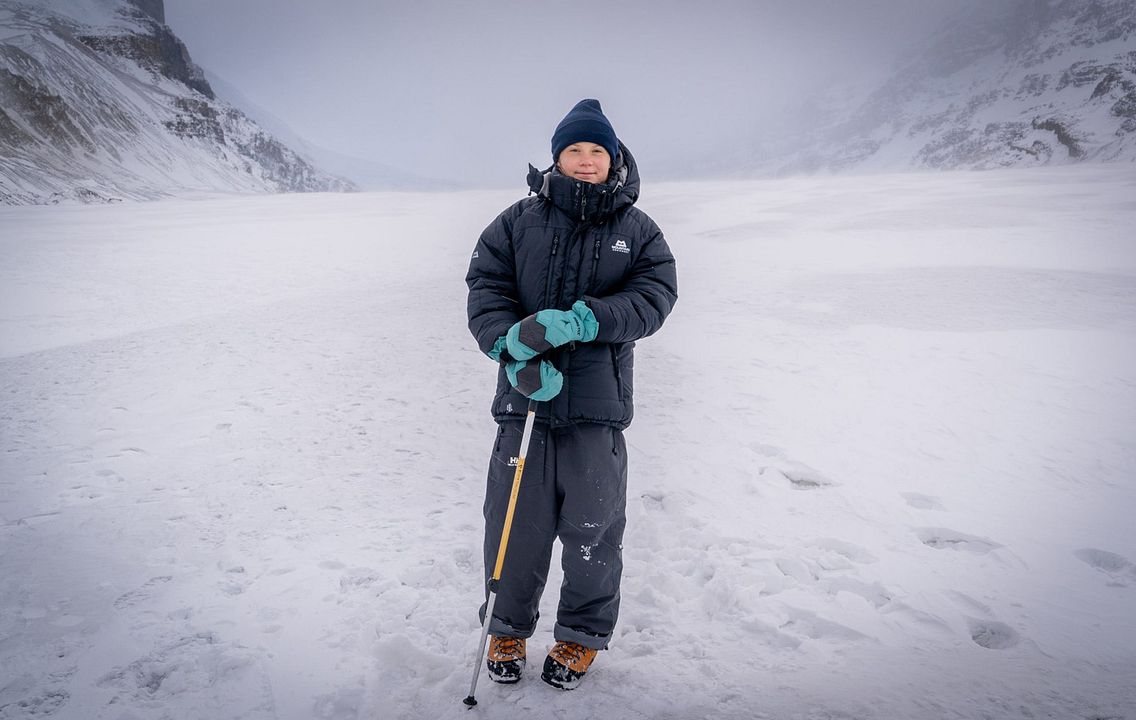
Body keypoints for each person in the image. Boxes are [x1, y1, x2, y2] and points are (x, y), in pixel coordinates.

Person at [465, 98, 678, 690]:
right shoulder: (515, 222)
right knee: (513, 523)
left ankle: (579, 637)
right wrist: (511, 345)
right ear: (557, 157)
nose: (586, 161)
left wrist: (588, 319)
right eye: (574, 150)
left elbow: (655, 297)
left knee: (594, 528)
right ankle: (506, 626)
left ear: (614, 160)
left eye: (597, 151)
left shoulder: (638, 231)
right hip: (524, 404)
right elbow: (485, 287)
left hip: (596, 409)